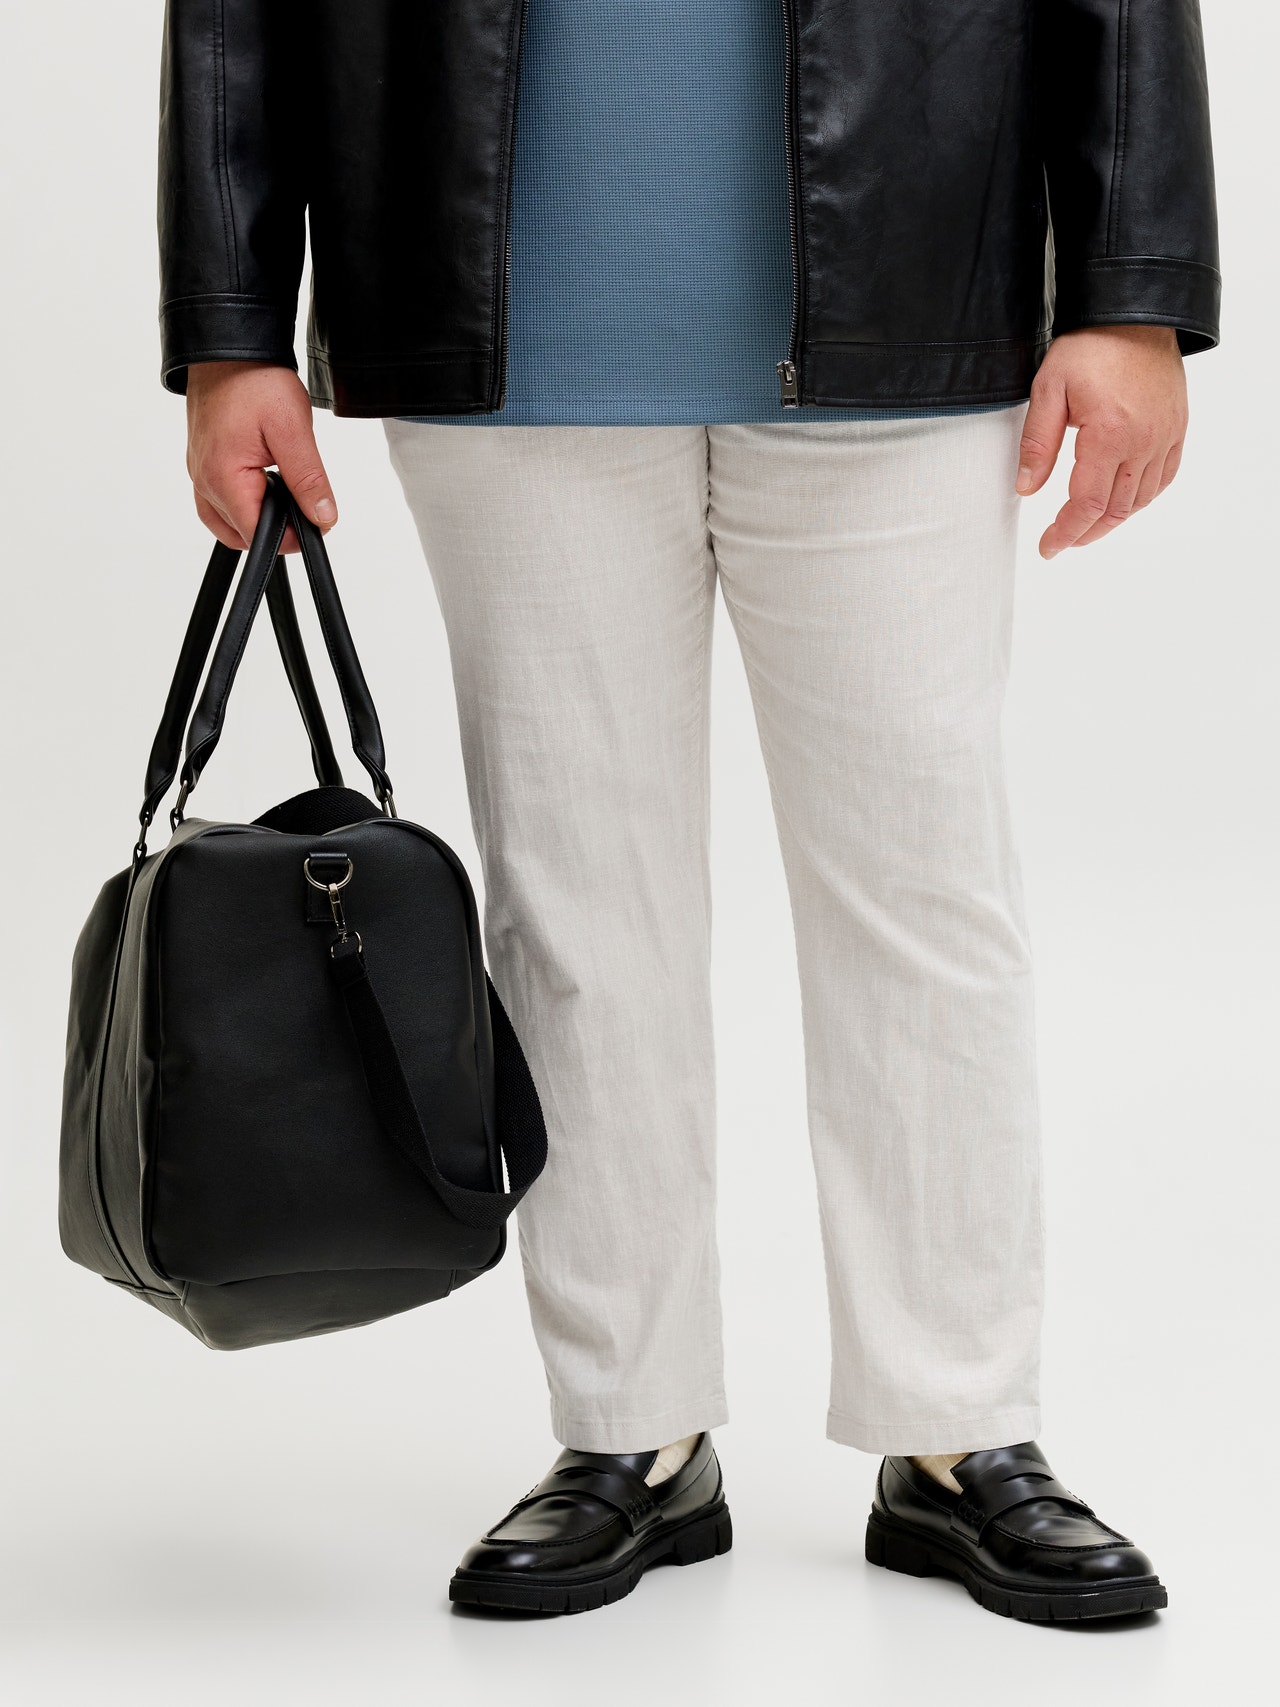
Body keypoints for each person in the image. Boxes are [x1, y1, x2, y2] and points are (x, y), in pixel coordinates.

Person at [165, 0, 1218, 1620]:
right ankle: (630, 1428)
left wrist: (1134, 291)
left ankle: (958, 1428)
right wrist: (232, 327)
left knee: (924, 893)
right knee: (575, 912)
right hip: (511, 325)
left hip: (905, 287)